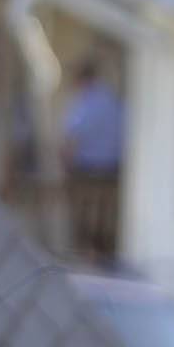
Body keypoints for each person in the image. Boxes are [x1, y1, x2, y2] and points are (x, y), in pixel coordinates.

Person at [63, 60, 124, 261]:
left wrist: (65, 164)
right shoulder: (112, 99)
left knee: (84, 211)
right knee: (106, 213)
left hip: (87, 168)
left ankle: (86, 253)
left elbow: (73, 134)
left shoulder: (85, 101)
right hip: (112, 168)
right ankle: (104, 252)